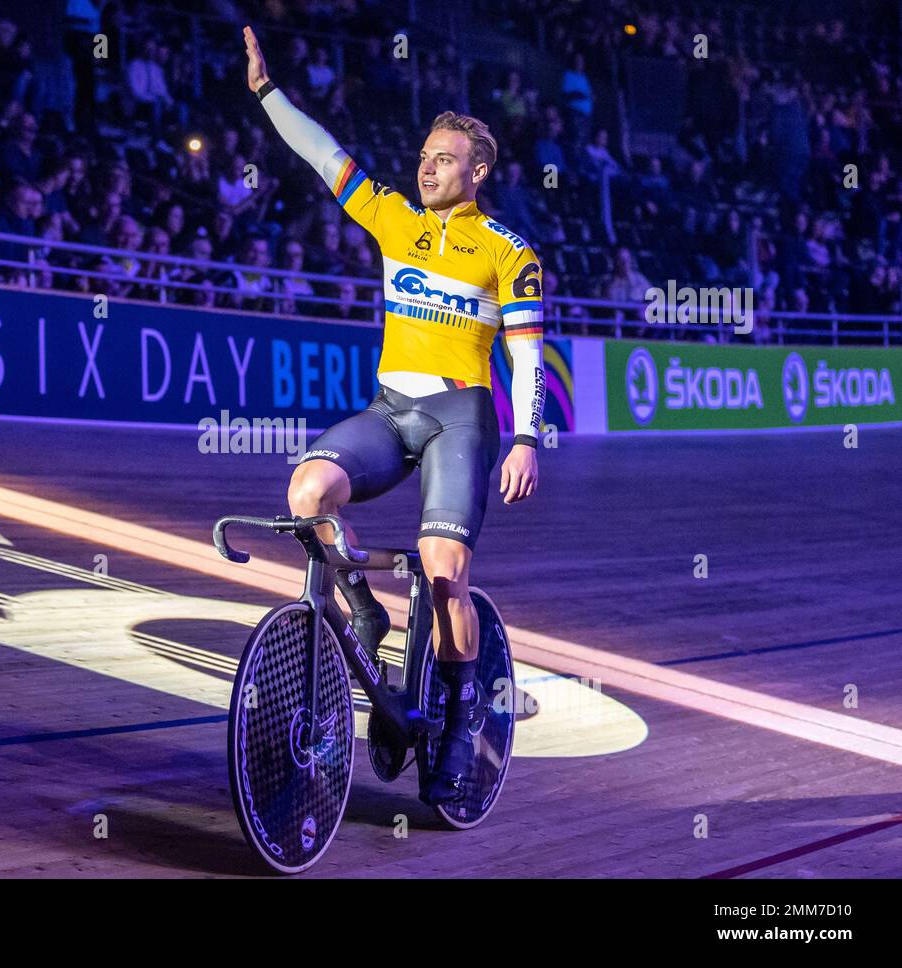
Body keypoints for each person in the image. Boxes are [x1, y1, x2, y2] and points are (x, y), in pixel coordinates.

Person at [243, 26, 545, 808]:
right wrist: (268, 93)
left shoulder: (509, 251)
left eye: (442, 158)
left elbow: (526, 356)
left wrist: (525, 437)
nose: (426, 165)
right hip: (391, 406)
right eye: (423, 156)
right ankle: (364, 609)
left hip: (460, 417)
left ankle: (458, 718)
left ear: (477, 171)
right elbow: (322, 154)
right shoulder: (393, 219)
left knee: (444, 575)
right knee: (308, 493)